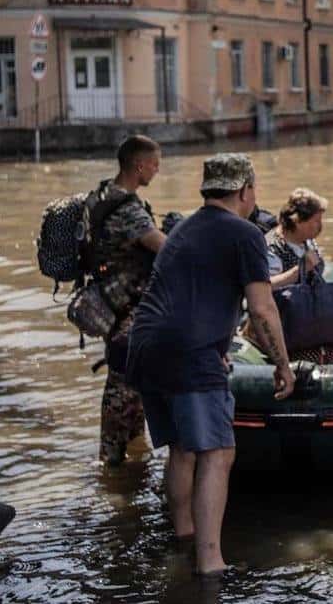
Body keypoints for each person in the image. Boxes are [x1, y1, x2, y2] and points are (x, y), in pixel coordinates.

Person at [127, 153, 295, 576]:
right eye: (254, 188)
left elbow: (190, 295)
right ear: (244, 190)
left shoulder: (183, 230)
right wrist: (283, 364)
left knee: (182, 448)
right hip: (189, 353)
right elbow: (262, 308)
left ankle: (184, 536)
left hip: (145, 348)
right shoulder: (246, 233)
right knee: (218, 452)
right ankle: (210, 563)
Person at [86, 135, 168, 465]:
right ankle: (112, 467)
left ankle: (131, 464)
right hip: (128, 307)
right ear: (139, 165)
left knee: (130, 387)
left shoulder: (103, 194)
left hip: (112, 302)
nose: (157, 170)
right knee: (123, 388)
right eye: (155, 164)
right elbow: (167, 249)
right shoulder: (128, 210)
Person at [265, 188, 333, 364]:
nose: (320, 226)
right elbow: (265, 287)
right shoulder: (273, 248)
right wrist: (299, 270)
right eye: (316, 221)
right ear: (297, 221)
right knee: (313, 351)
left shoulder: (308, 241)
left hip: (312, 312)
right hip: (289, 321)